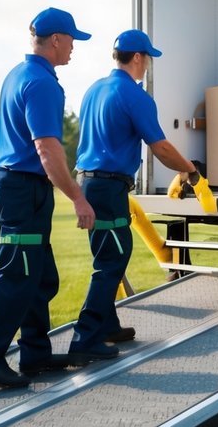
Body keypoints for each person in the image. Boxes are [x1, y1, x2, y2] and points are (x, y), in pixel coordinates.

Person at [0, 7, 97, 389]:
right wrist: (77, 198)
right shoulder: (42, 84)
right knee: (17, 275)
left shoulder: (17, 75)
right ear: (56, 39)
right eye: (72, 39)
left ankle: (35, 353)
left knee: (39, 274)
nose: (74, 47)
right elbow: (47, 150)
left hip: (9, 184)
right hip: (21, 189)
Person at [69, 29, 200, 361]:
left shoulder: (93, 90)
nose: (147, 66)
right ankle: (85, 336)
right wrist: (190, 169)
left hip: (89, 182)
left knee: (108, 254)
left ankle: (108, 325)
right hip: (109, 185)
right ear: (138, 57)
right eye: (148, 59)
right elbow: (161, 148)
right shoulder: (134, 95)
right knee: (113, 258)